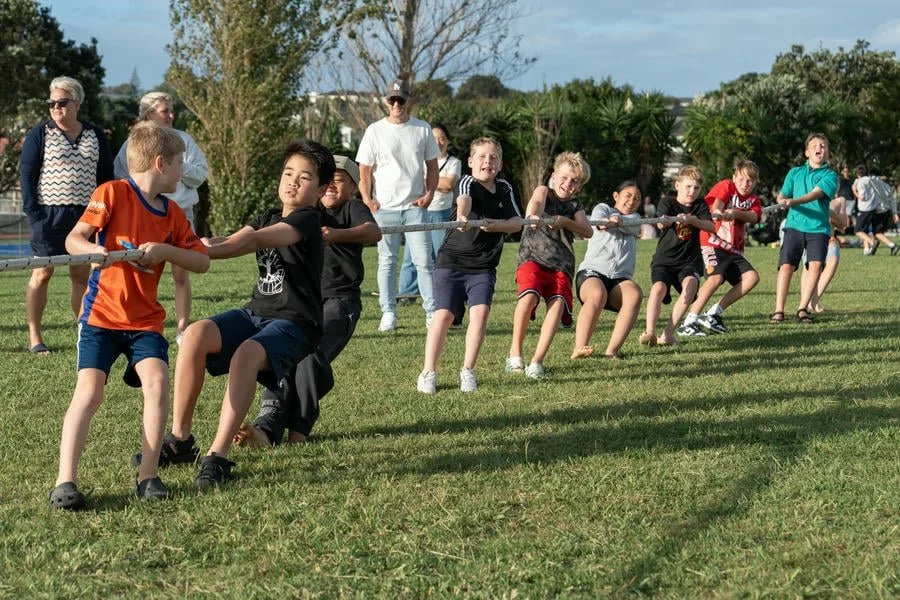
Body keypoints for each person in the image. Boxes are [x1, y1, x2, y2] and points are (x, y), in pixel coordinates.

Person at [48, 122, 210, 510]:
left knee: (157, 383)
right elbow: (74, 238)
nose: (181, 171)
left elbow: (200, 261)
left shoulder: (172, 213)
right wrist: (90, 248)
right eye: (177, 164)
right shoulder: (112, 193)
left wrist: (165, 253)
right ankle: (65, 481)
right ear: (159, 164)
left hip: (145, 324)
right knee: (89, 392)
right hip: (101, 318)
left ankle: (148, 474)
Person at [159, 139, 333, 490]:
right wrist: (196, 243)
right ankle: (180, 440)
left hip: (296, 323)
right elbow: (232, 238)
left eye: (304, 177)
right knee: (194, 335)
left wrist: (181, 252)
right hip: (256, 313)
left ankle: (217, 456)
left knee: (246, 355)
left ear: (322, 189)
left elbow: (252, 243)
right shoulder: (268, 215)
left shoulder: (309, 221)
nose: (292, 182)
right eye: (288, 173)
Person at [236, 156, 381, 446]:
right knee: (285, 356)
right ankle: (266, 429)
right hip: (304, 305)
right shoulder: (306, 215)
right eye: (325, 181)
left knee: (310, 357)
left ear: (353, 186)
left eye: (338, 180)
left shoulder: (351, 208)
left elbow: (373, 232)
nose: (330, 187)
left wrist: (336, 235)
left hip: (339, 302)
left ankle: (298, 431)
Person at [416, 137, 522, 394]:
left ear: (500, 163)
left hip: (483, 266)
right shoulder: (467, 181)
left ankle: (468, 370)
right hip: (452, 261)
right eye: (482, 157)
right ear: (471, 161)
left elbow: (517, 221)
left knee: (480, 313)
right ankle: (428, 372)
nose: (488, 162)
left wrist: (496, 226)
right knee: (443, 315)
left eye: (493, 157)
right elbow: (464, 200)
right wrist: (463, 216)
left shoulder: (505, 187)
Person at [19, 76, 114, 354]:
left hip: (86, 216)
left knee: (80, 275)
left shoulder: (95, 135)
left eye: (62, 102)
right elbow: (27, 177)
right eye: (52, 103)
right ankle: (35, 337)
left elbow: (106, 178)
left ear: (77, 103)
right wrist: (34, 215)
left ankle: (85, 331)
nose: (56, 108)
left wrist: (104, 213)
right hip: (48, 216)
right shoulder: (40, 134)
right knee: (42, 273)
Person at [114, 91, 209, 342]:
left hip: (182, 214)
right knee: (140, 270)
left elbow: (201, 174)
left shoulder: (184, 140)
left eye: (171, 110)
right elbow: (121, 173)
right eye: (164, 110)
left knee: (181, 274)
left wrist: (176, 164)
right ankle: (134, 323)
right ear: (148, 114)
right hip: (144, 215)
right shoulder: (133, 143)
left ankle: (181, 329)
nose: (171, 115)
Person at [356, 79, 439, 331]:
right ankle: (388, 312)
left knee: (424, 261)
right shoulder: (374, 130)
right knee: (387, 261)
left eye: (400, 99)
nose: (396, 104)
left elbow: (432, 166)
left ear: (407, 101)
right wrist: (367, 199)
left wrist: (429, 194)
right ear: (386, 102)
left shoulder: (422, 129)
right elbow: (365, 170)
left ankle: (432, 312)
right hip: (385, 209)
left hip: (415, 207)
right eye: (392, 99)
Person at [506, 152, 593, 378]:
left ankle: (537, 361)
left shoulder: (575, 205)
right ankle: (515, 353)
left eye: (574, 181)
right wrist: (534, 215)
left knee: (557, 305)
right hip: (532, 256)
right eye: (564, 178)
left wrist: (566, 222)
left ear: (579, 186)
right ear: (554, 176)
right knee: (529, 297)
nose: (568, 184)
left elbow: (588, 231)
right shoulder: (544, 191)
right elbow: (534, 204)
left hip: (561, 263)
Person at [677, 159, 762, 336]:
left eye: (749, 181)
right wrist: (719, 213)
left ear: (755, 182)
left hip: (733, 249)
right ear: (734, 177)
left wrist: (736, 213)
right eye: (741, 179)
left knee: (751, 277)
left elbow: (754, 217)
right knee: (715, 279)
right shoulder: (726, 185)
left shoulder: (753, 199)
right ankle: (689, 321)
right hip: (712, 242)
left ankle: (713, 313)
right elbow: (717, 204)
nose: (744, 184)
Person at [640, 166, 714, 346]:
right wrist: (664, 221)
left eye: (696, 188)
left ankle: (668, 334)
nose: (692, 191)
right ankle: (650, 332)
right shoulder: (667, 202)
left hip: (690, 261)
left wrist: (693, 221)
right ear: (677, 185)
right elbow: (659, 223)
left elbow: (711, 227)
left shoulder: (700, 205)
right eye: (688, 186)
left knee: (690, 288)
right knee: (658, 289)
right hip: (665, 259)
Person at [570, 180, 644, 360]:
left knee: (635, 294)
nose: (632, 201)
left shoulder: (635, 218)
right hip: (592, 273)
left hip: (619, 278)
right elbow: (599, 220)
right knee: (597, 293)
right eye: (628, 195)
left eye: (637, 199)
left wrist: (619, 221)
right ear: (616, 196)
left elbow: (632, 225)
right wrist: (607, 221)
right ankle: (580, 348)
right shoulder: (602, 208)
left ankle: (612, 351)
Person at [772, 134, 838, 324]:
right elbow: (782, 194)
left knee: (815, 266)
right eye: (815, 145)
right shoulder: (794, 172)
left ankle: (802, 308)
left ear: (827, 152)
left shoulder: (830, 175)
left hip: (818, 228)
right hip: (794, 225)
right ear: (807, 152)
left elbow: (816, 194)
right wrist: (781, 200)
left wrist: (794, 201)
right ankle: (778, 311)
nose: (819, 148)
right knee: (786, 266)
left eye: (823, 146)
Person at [398, 124, 462, 301]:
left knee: (442, 255)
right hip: (418, 213)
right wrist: (435, 181)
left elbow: (449, 185)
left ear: (448, 141)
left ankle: (444, 290)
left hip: (441, 214)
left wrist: (427, 180)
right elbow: (411, 181)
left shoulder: (454, 162)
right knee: (411, 257)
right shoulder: (420, 161)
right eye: (434, 139)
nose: (438, 142)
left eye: (442, 138)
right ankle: (406, 294)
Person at [805, 197, 849, 313]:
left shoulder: (839, 201)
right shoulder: (810, 197)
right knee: (811, 269)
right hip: (810, 238)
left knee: (832, 260)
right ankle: (808, 302)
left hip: (829, 238)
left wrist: (831, 216)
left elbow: (843, 226)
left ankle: (814, 300)